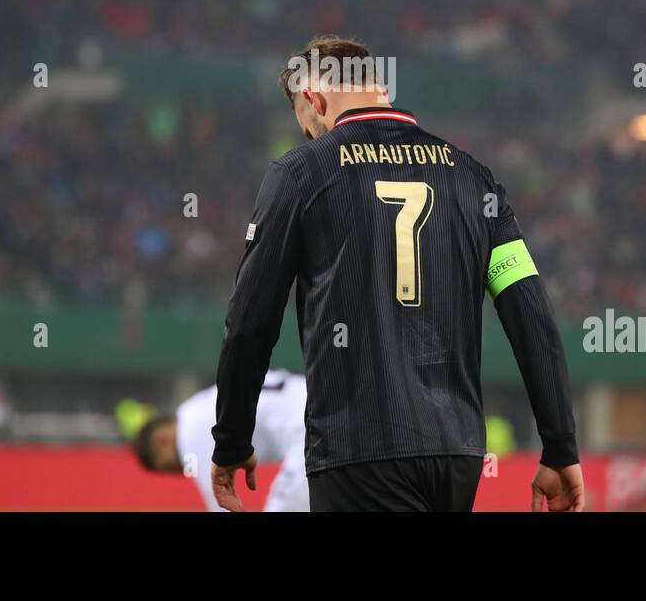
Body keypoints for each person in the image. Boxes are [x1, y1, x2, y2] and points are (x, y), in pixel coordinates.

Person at [211, 35, 583, 512]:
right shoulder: (473, 177)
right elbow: (530, 314)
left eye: (308, 128)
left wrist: (232, 439)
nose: (311, 138)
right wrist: (560, 445)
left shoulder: (300, 173)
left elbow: (249, 323)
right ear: (378, 87)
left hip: (357, 452)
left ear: (314, 99)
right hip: (457, 454)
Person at [134, 369, 308, 512]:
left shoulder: (188, 439)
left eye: (166, 466)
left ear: (162, 439)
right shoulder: (192, 409)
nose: (176, 471)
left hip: (305, 432)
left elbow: (221, 505)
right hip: (314, 399)